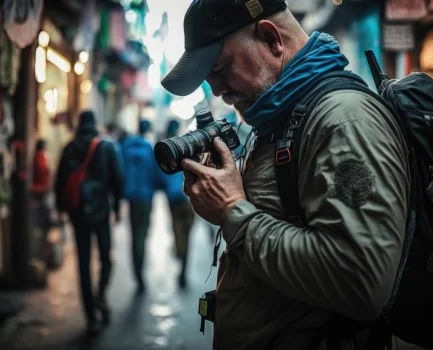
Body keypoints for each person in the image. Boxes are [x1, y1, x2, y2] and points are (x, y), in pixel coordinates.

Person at [161, 1, 409, 349]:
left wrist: (234, 211)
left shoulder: (344, 120)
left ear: (271, 39)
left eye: (220, 68)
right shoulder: (282, 117)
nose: (217, 90)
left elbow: (361, 282)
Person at [54, 111, 124, 334]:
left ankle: (90, 315)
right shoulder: (107, 146)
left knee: (83, 262)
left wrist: (62, 210)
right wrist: (117, 207)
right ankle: (101, 294)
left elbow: (59, 182)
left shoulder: (69, 148)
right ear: (95, 124)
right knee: (106, 257)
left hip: (77, 213)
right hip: (101, 211)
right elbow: (118, 179)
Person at [119, 119, 159, 293]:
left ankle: (136, 270)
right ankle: (140, 271)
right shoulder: (148, 147)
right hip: (145, 197)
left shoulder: (126, 146)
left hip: (131, 196)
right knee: (142, 234)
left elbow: (120, 170)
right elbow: (154, 173)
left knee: (134, 233)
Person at [160, 120, 195, 288]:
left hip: (172, 199)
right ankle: (183, 265)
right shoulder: (185, 145)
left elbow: (159, 176)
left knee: (177, 229)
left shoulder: (161, 149)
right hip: (186, 198)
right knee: (186, 234)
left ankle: (179, 251)